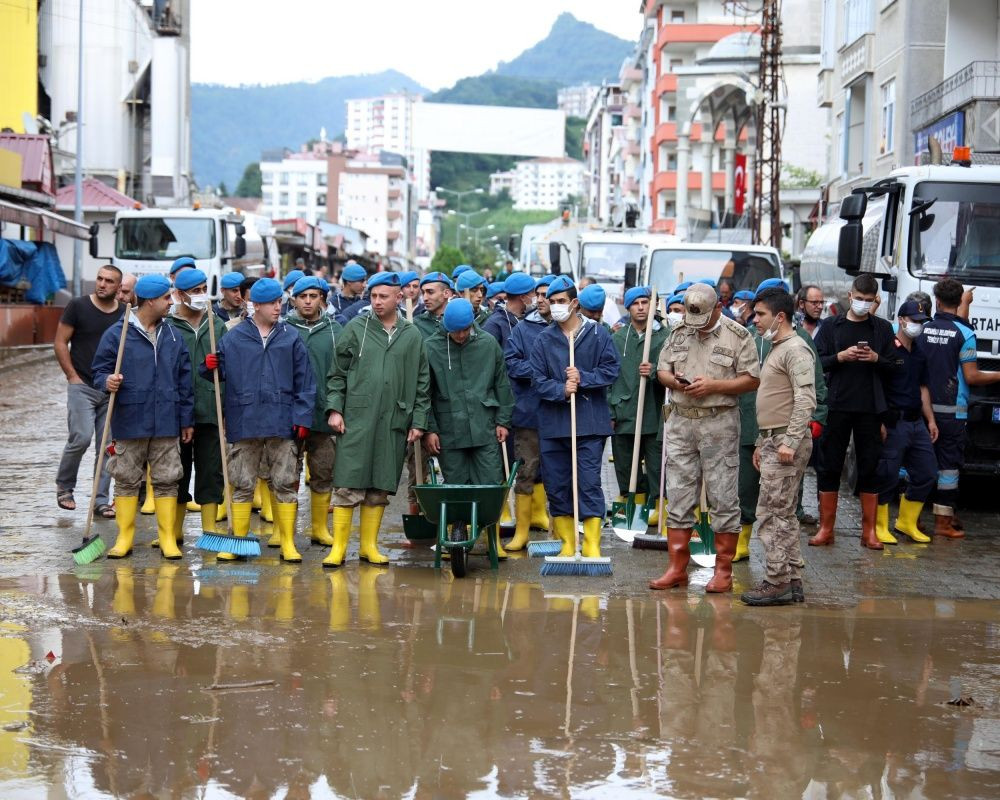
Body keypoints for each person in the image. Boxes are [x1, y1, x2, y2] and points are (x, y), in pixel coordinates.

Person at [651, 282, 760, 593]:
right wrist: (676, 382)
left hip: (719, 423)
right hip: (682, 422)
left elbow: (752, 379)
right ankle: (676, 567)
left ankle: (723, 570)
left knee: (723, 495)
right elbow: (662, 371)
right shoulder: (679, 332)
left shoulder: (738, 336)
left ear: (718, 308)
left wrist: (714, 386)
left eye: (704, 319)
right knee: (679, 494)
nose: (696, 326)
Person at [202, 277, 316, 563]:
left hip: (282, 421)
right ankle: (237, 541)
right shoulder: (233, 337)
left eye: (280, 302)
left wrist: (302, 417)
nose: (279, 308)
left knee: (286, 482)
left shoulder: (290, 337)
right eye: (272, 303)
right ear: (256, 306)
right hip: (245, 421)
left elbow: (306, 382)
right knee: (241, 482)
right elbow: (219, 375)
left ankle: (288, 542)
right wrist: (209, 367)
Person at [323, 272, 430, 567]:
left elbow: (422, 382)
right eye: (373, 296)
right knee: (348, 482)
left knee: (380, 486)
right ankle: (339, 548)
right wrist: (335, 409)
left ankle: (369, 546)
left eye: (384, 296)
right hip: (357, 417)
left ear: (399, 297)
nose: (378, 302)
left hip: (394, 419)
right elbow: (337, 373)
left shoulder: (411, 335)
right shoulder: (356, 328)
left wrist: (418, 420)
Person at [93, 274, 194, 559]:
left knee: (167, 479)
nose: (170, 303)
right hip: (129, 420)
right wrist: (106, 382)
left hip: (166, 420)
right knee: (125, 478)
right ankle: (125, 538)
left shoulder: (173, 334)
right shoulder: (118, 333)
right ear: (151, 300)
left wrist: (186, 419)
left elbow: (184, 381)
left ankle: (167, 539)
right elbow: (98, 371)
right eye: (166, 298)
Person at [529, 276, 620, 558]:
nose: (556, 307)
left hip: (589, 424)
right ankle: (568, 543)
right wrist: (560, 388)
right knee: (557, 485)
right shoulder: (543, 340)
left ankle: (591, 543)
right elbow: (536, 379)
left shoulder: (598, 334)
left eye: (561, 302)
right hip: (554, 426)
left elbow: (611, 370)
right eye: (552, 302)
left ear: (575, 304)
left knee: (588, 482)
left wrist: (583, 379)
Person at [739, 288, 817, 606]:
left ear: (779, 317)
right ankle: (792, 578)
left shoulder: (795, 350)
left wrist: (789, 440)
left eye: (760, 314)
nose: (754, 319)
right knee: (783, 513)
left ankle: (776, 581)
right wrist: (762, 442)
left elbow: (805, 399)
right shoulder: (779, 346)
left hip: (786, 442)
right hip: (774, 439)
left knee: (772, 514)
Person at [811, 273, 898, 549]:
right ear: (850, 296)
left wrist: (876, 358)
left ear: (875, 301)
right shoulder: (830, 326)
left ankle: (869, 531)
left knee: (870, 467)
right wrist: (839, 357)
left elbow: (897, 367)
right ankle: (826, 528)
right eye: (858, 299)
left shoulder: (882, 329)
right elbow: (816, 363)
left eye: (867, 300)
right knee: (829, 465)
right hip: (837, 406)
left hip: (870, 408)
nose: (861, 304)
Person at [424, 299, 514, 556]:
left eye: (465, 330)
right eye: (455, 331)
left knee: (489, 485)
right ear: (445, 326)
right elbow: (423, 393)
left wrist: (503, 421)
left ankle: (492, 541)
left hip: (484, 426)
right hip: (448, 430)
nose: (461, 336)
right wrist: (429, 429)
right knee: (455, 487)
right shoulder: (431, 347)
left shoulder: (487, 344)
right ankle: (456, 537)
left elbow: (502, 385)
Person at [920, 278, 1000, 537]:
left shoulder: (923, 329)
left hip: (923, 409)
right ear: (959, 302)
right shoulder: (965, 335)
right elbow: (972, 377)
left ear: (937, 301)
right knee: (949, 467)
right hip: (953, 413)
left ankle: (913, 520)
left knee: (918, 464)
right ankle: (943, 523)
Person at [54, 264, 124, 516]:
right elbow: (60, 342)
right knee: (81, 437)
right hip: (82, 385)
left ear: (118, 287)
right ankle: (65, 486)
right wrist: (72, 376)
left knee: (107, 447)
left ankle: (100, 499)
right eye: (99, 278)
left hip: (111, 389)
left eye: (109, 281)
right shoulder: (78, 306)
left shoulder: (125, 314)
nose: (102, 284)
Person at [165, 268, 228, 546]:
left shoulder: (216, 325)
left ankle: (210, 531)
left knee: (211, 471)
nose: (202, 295)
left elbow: (231, 368)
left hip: (210, 410)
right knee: (177, 472)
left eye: (204, 289)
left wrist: (220, 370)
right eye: (196, 290)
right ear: (179, 294)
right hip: (177, 412)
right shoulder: (168, 326)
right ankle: (173, 531)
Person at [872, 300, 937, 544]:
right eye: (915, 321)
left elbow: (923, 388)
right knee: (887, 474)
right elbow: (876, 387)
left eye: (922, 322)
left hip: (916, 422)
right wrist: (879, 420)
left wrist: (930, 420)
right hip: (894, 422)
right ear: (901, 320)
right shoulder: (888, 349)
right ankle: (879, 526)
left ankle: (906, 523)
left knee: (927, 472)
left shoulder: (920, 353)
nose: (918, 326)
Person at [285, 276, 343, 547]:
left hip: (323, 414)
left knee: (323, 471)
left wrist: (337, 408)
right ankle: (283, 532)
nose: (307, 301)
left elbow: (342, 372)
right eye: (302, 296)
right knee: (286, 473)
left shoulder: (335, 330)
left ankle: (319, 528)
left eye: (313, 296)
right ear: (293, 299)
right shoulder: (283, 328)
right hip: (288, 415)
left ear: (322, 299)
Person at [609, 286, 668, 524]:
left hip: (653, 414)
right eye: (636, 303)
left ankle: (657, 510)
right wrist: (610, 409)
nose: (641, 307)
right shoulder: (617, 338)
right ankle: (633, 512)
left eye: (645, 302)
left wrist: (655, 372)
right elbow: (608, 377)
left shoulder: (664, 337)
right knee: (625, 466)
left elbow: (675, 373)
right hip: (624, 413)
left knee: (656, 467)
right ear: (629, 307)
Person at [503, 275, 554, 549]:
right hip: (529, 412)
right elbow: (512, 364)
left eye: (553, 296)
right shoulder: (523, 330)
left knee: (558, 472)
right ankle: (521, 532)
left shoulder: (572, 329)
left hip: (561, 413)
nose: (545, 299)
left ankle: (557, 528)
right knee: (526, 470)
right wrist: (542, 372)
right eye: (542, 294)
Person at [482, 272, 535, 352]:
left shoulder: (530, 318)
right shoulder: (494, 325)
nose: (537, 298)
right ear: (523, 297)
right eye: (534, 293)